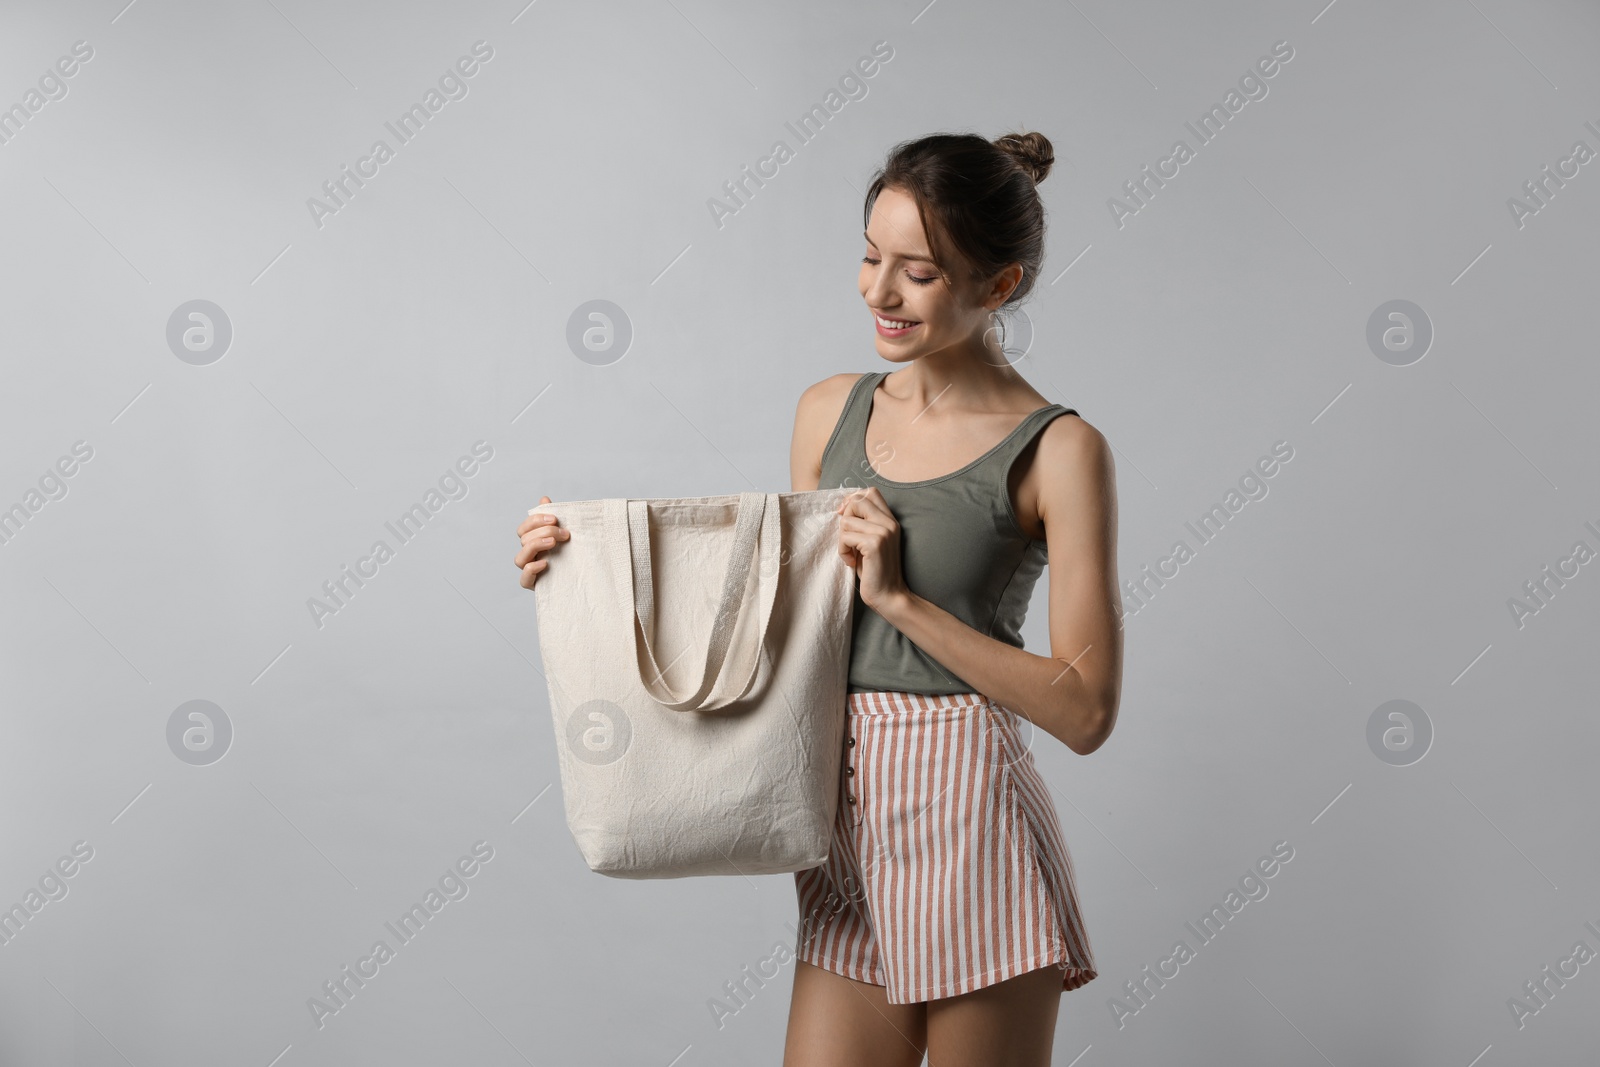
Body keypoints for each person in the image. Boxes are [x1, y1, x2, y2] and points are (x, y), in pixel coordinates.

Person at [514, 130, 1121, 1067]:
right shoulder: (827, 410)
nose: (878, 292)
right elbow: (773, 619)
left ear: (998, 287)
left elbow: (1084, 708)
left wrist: (904, 601)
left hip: (972, 821)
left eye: (917, 272)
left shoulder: (1061, 450)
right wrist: (582, 568)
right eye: (871, 257)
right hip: (842, 820)